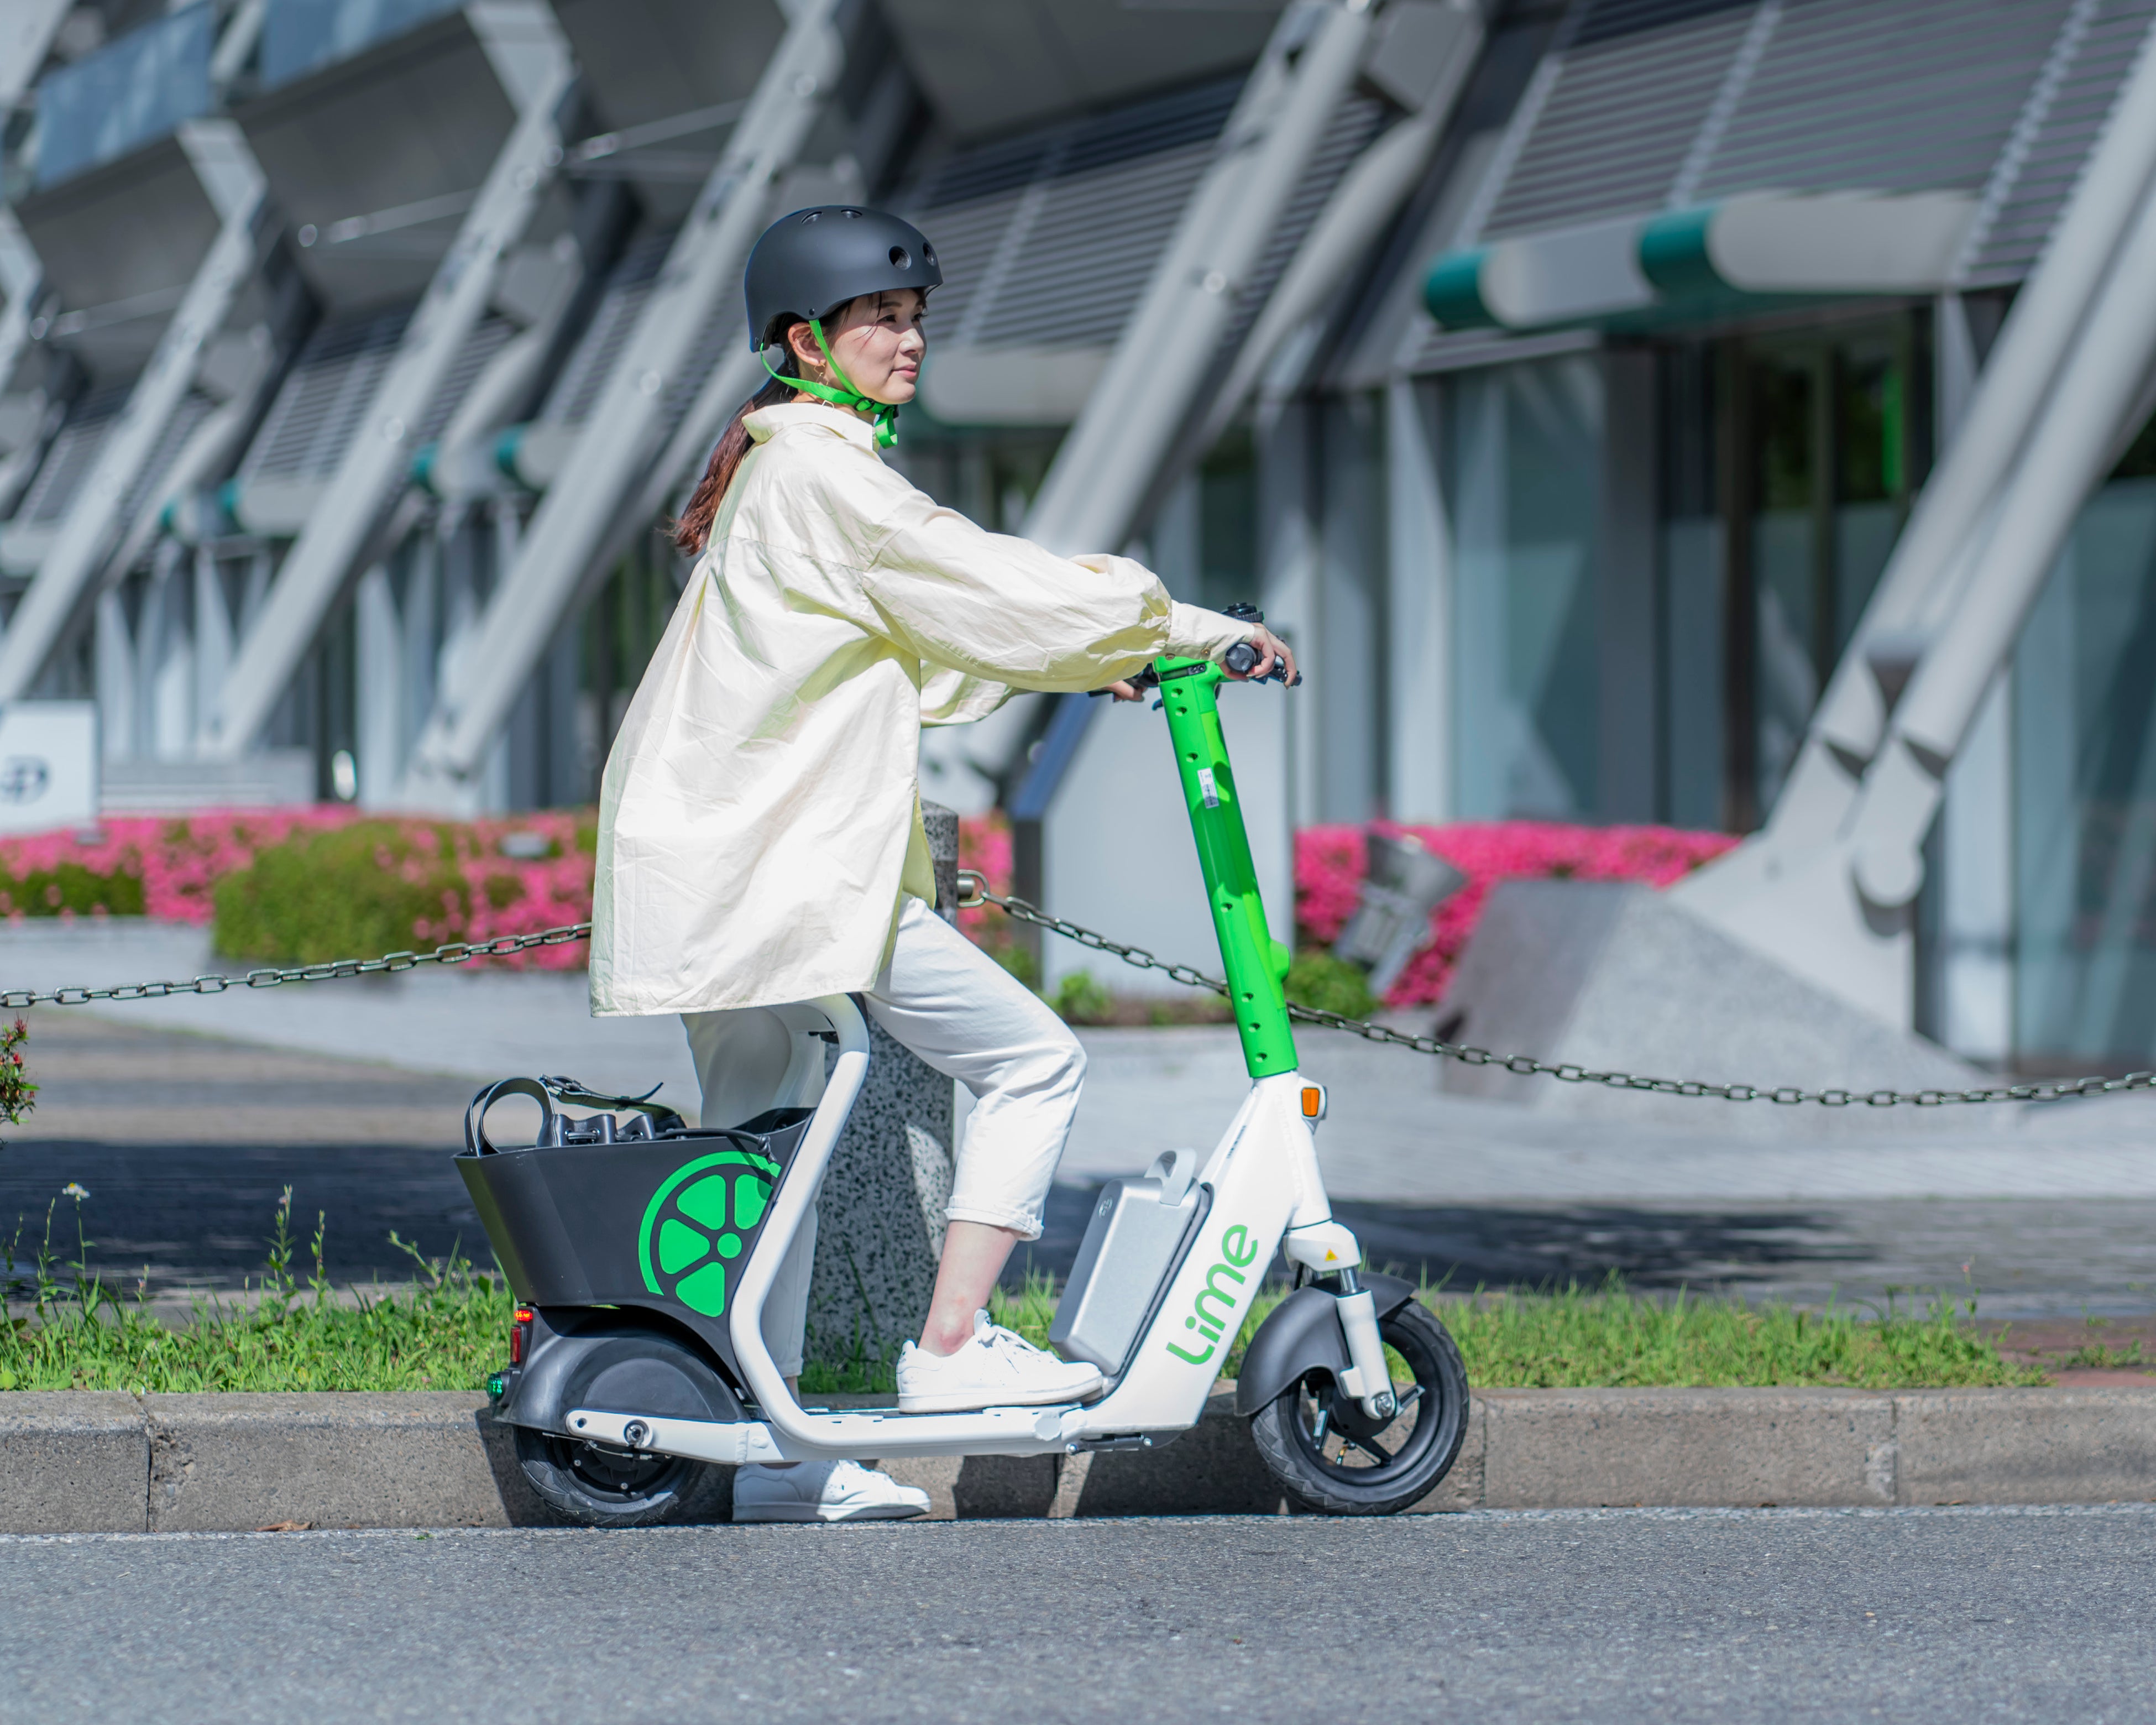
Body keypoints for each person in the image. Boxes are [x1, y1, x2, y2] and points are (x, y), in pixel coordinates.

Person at [589, 205, 1295, 1523]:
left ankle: (777, 1465)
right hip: (791, 875)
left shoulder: (783, 471)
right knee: (1035, 1063)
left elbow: (906, 648)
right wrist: (1187, 627)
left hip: (723, 868)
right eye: (881, 319)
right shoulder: (828, 476)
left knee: (770, 1157)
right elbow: (990, 589)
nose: (909, 340)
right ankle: (954, 1346)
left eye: (916, 319)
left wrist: (1098, 661)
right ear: (807, 342)